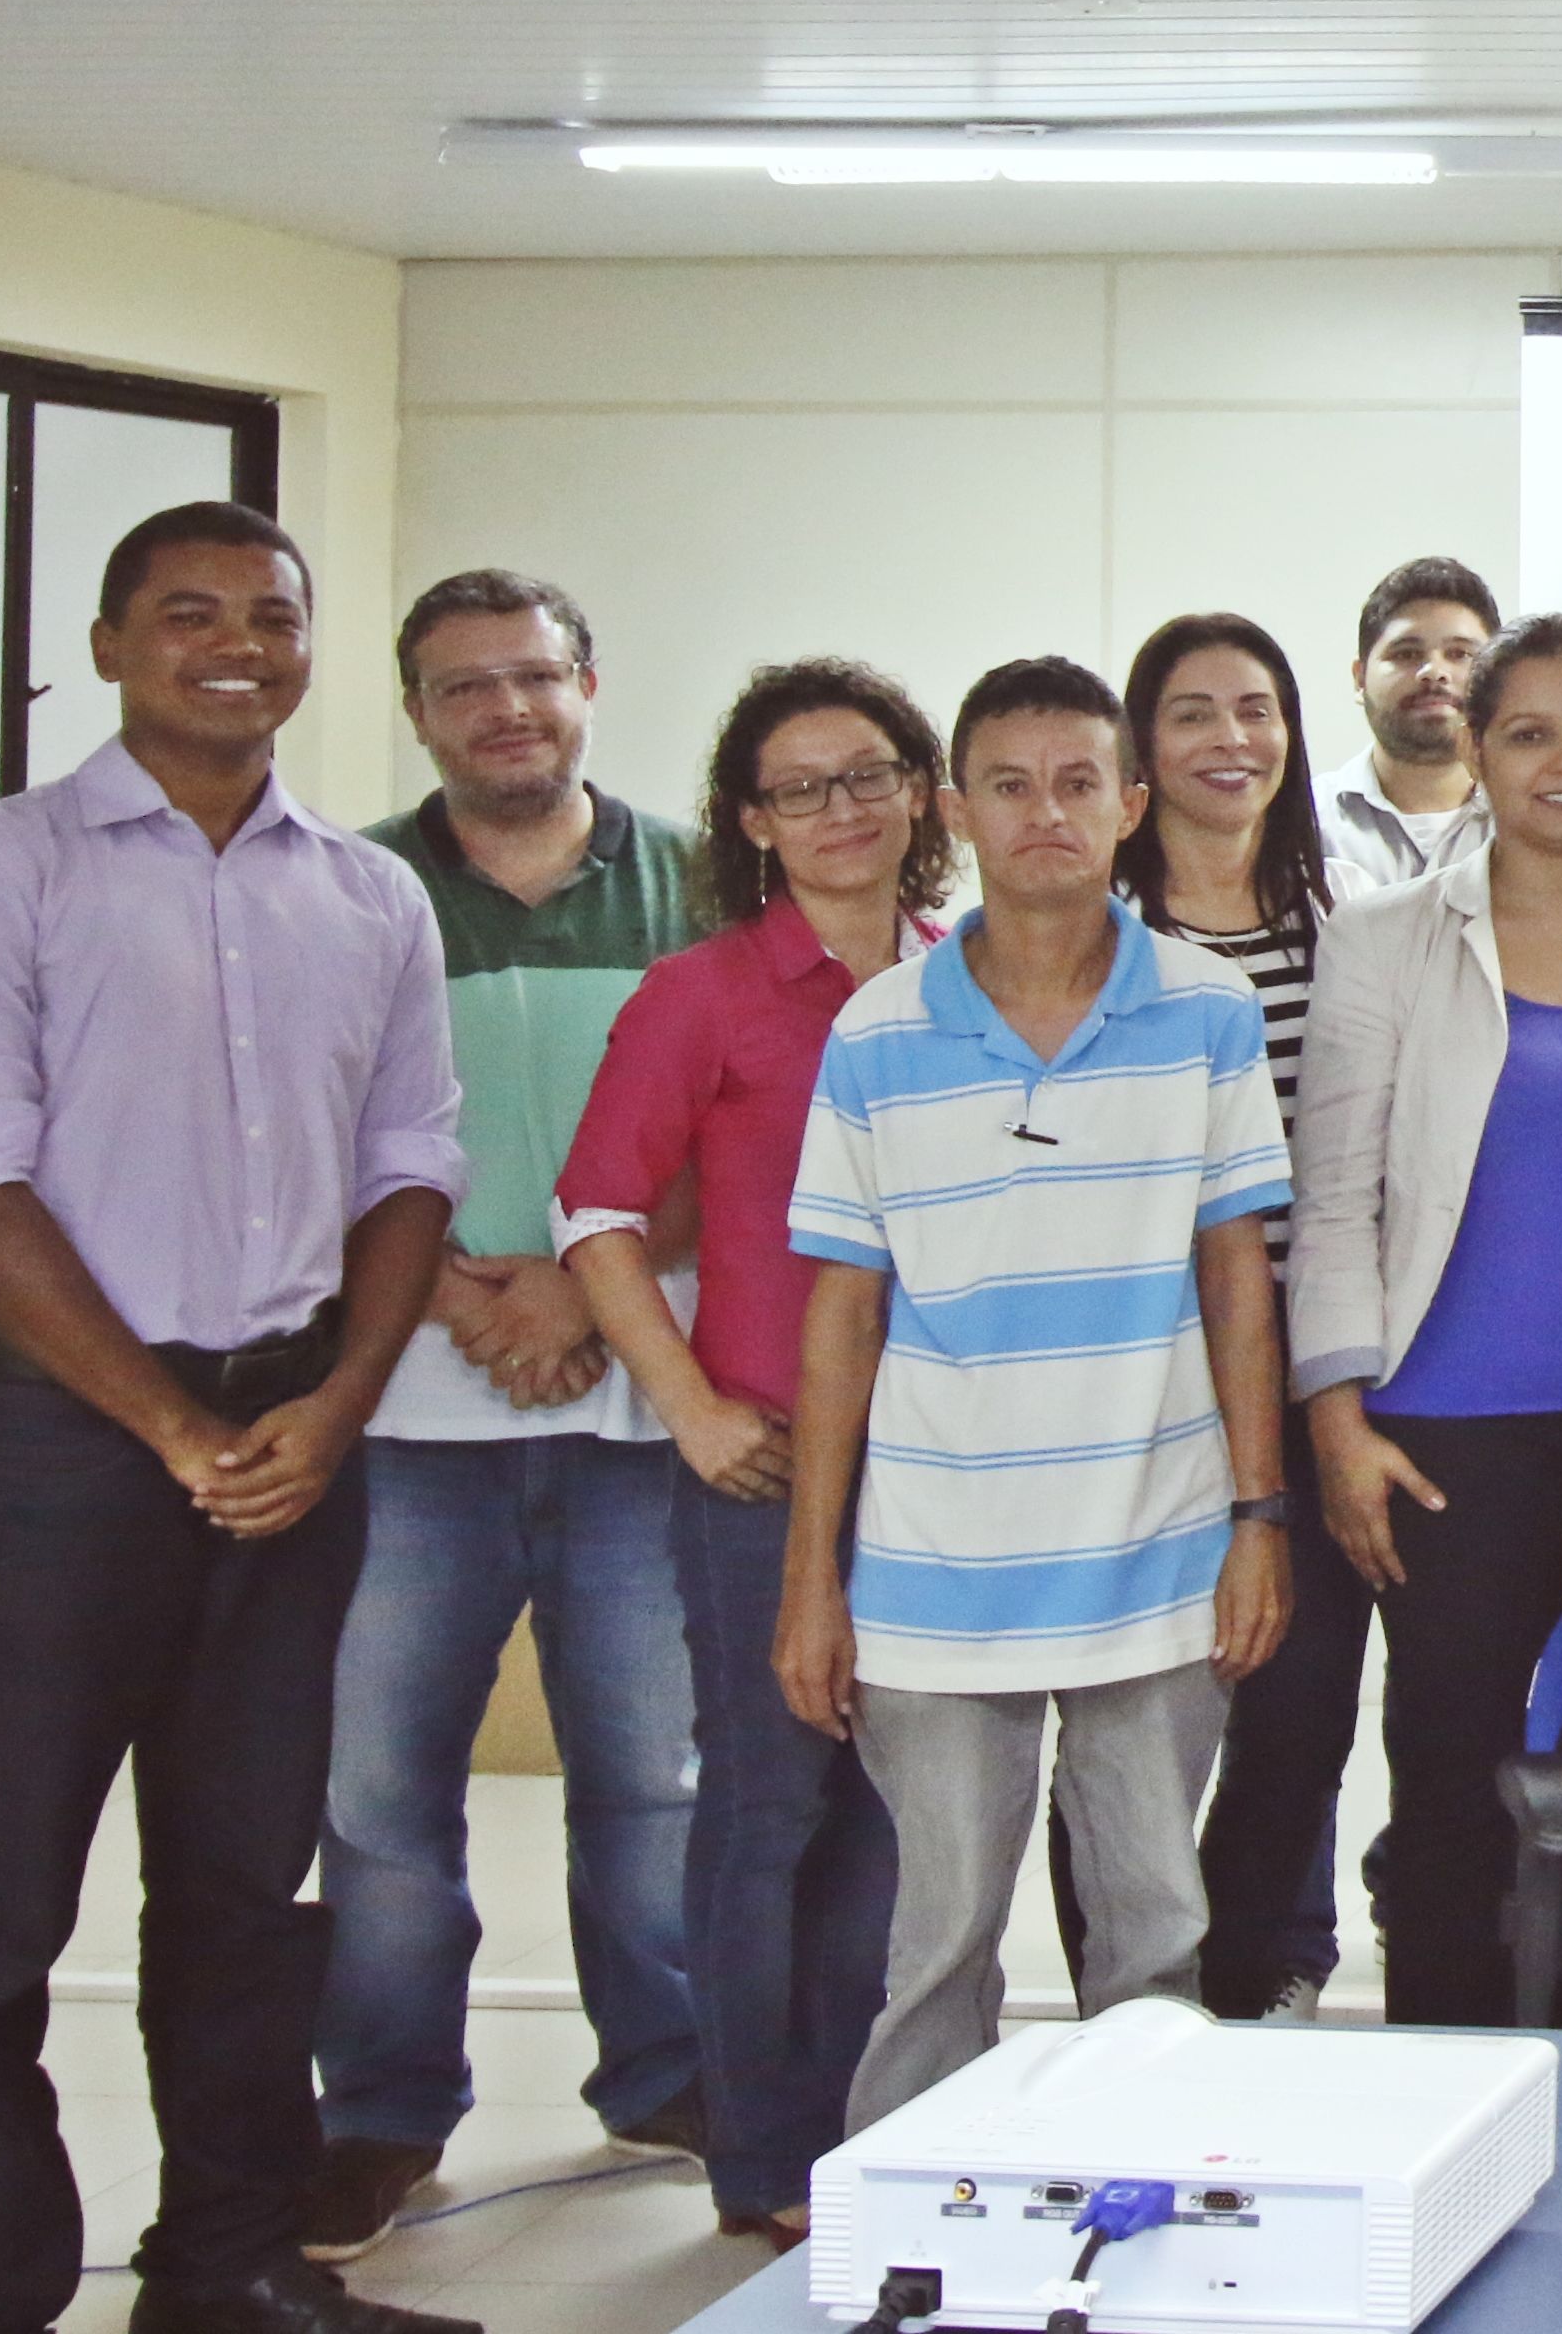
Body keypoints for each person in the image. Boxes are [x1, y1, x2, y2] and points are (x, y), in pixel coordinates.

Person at [0, 503, 475, 2334]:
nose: (236, 644)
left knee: (243, 1901)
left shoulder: (365, 895)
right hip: (54, 1455)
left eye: (271, 617)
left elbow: (410, 1162)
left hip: (291, 1442)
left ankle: (226, 2268)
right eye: (187, 613)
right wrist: (159, 1424)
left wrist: (339, 1406)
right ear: (111, 645)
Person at [775, 657, 1297, 2128]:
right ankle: (903, 2251)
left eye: (1078, 783)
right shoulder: (877, 1031)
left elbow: (1237, 1280)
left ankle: (1148, 2221)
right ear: (956, 812)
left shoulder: (1204, 1012)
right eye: (1008, 786)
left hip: (1159, 1552)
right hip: (936, 1573)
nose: (1045, 815)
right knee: (937, 1951)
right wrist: (812, 1578)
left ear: (1130, 805)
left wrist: (1258, 1517)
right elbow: (841, 1311)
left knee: (1155, 1941)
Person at [303, 571, 708, 2262]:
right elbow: (304, 1121)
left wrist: (583, 1284)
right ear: (415, 714)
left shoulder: (699, 878)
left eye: (531, 677)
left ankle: (672, 2070)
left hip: (636, 1402)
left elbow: (748, 1116)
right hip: (407, 1400)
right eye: (463, 687)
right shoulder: (348, 888)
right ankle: (382, 2112)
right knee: (382, 1788)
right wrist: (474, 1289)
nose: (504, 710)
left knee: (648, 1776)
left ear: (590, 684)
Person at [555, 659, 949, 2250]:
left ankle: (858, 2123)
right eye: (801, 789)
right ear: (749, 823)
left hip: (936, 1466)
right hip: (764, 1467)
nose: (841, 811)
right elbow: (593, 1215)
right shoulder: (700, 992)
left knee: (887, 1813)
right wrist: (690, 1405)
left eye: (868, 776)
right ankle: (760, 2156)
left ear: (922, 791)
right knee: (768, 1806)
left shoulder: (970, 974)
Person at [1292, 612, 1562, 2025]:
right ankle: (1438, 2080)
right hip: (1442, 1436)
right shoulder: (1385, 940)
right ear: (1474, 751)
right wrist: (1336, 1420)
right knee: (1454, 1782)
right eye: (1529, 732)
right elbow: (1333, 1196)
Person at [1061, 615, 1355, 2018]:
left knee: (1296, 1711)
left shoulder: (1345, 924)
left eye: (1255, 708)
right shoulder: (1100, 942)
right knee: (1132, 1720)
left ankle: (1245, 1978)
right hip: (1140, 1373)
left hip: (1309, 1375)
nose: (1228, 738)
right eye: (1191, 713)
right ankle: (1128, 2000)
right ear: (1139, 747)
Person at [1321, 557, 1501, 895]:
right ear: (1360, 679)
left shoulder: (1531, 822)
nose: (1434, 671)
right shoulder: (1301, 825)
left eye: (1460, 653)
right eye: (1405, 654)